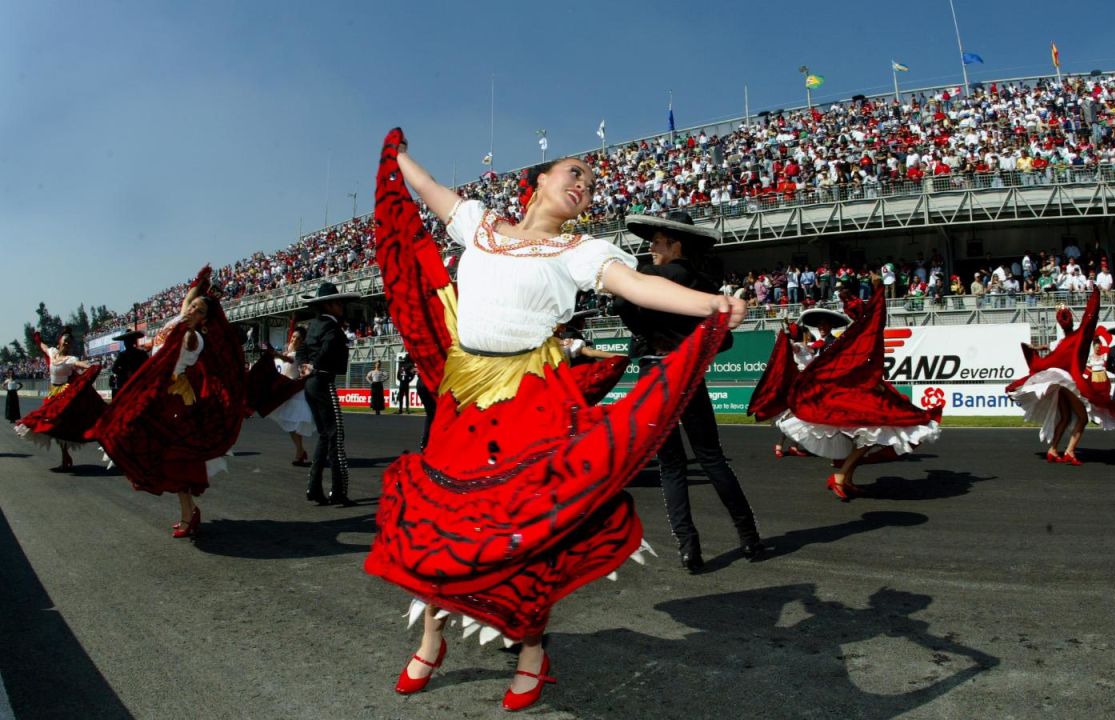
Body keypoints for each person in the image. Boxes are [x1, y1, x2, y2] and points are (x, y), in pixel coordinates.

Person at [363, 129, 744, 712]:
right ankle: (432, 636)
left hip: (529, 401)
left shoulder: (581, 252)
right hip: (462, 400)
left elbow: (640, 286)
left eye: (591, 186)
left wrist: (713, 305)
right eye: (574, 174)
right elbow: (429, 189)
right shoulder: (480, 225)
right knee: (441, 518)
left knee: (525, 527)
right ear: (539, 180)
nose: (584, 187)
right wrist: (396, 154)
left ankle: (532, 653)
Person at [616, 211, 764, 574]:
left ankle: (688, 546)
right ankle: (749, 536)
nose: (650, 249)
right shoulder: (703, 284)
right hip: (685, 376)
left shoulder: (655, 280)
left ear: (676, 244)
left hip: (655, 377)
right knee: (711, 458)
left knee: (672, 466)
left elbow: (623, 308)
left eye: (656, 242)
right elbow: (722, 338)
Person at [89, 267, 246, 537]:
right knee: (140, 438)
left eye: (198, 311)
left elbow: (174, 363)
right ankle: (189, 512)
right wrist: (200, 283)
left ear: (205, 320)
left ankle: (189, 514)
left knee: (177, 457)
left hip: (176, 399)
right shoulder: (178, 320)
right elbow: (188, 299)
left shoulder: (192, 337)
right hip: (157, 394)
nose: (191, 311)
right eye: (192, 307)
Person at [773, 287, 942, 499]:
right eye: (819, 326)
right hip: (836, 391)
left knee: (870, 433)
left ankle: (844, 477)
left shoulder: (842, 341)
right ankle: (841, 476)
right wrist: (792, 342)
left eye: (825, 325)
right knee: (869, 433)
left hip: (849, 390)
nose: (822, 328)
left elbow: (853, 363)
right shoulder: (826, 344)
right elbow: (807, 350)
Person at [1006, 292, 1115, 465]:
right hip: (1067, 383)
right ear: (1071, 321)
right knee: (1082, 418)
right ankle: (1069, 451)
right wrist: (1095, 300)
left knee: (1066, 418)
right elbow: (1089, 320)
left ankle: (1053, 450)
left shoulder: (1061, 344)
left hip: (1059, 383)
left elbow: (1047, 357)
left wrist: (1033, 350)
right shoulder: (1076, 338)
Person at [298, 282, 359, 507]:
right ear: (330, 305)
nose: (342, 306)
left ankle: (314, 487)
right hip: (324, 381)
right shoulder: (332, 329)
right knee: (336, 435)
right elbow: (327, 347)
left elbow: (302, 350)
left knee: (325, 435)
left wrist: (305, 365)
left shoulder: (314, 325)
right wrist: (314, 365)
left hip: (312, 383)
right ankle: (338, 490)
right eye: (339, 302)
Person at [15, 328, 98, 471]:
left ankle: (65, 457)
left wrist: (91, 366)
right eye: (65, 341)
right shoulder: (53, 352)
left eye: (69, 342)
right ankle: (65, 455)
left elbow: (81, 365)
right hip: (53, 393)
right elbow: (44, 347)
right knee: (53, 425)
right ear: (59, 341)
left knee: (60, 425)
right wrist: (38, 339)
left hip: (65, 394)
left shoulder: (70, 359)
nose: (67, 343)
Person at [245, 327, 314, 466]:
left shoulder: (298, 355)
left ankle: (300, 452)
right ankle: (300, 451)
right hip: (284, 392)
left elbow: (289, 360)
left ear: (303, 341)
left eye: (298, 338)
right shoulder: (287, 351)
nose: (295, 339)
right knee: (289, 424)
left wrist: (274, 354)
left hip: (294, 393)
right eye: (293, 337)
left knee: (292, 423)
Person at [109, 330, 148, 395]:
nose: (125, 343)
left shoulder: (123, 355)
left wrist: (124, 373)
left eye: (126, 341)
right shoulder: (142, 353)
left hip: (127, 385)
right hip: (140, 383)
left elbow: (114, 369)